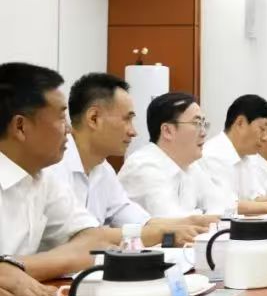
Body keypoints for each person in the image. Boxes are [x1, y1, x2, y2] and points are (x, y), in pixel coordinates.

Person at [0, 63, 125, 287]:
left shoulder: (41, 178)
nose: (69, 128)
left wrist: (16, 269)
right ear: (20, 126)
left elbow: (94, 240)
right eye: (60, 117)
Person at [47, 73, 210, 244]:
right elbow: (85, 236)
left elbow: (140, 221)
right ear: (94, 118)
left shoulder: (103, 170)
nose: (133, 132)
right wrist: (166, 234)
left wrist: (197, 223)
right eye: (127, 120)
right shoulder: (54, 166)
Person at [118, 92, 230, 218]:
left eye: (204, 124)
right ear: (167, 131)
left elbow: (222, 207)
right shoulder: (144, 166)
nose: (204, 133)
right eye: (197, 123)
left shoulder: (190, 166)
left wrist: (202, 214)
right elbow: (173, 223)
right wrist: (202, 213)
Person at [198, 94, 267, 215]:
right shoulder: (214, 154)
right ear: (240, 123)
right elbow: (229, 207)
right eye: (262, 129)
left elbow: (255, 200)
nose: (265, 138)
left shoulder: (247, 156)